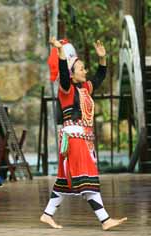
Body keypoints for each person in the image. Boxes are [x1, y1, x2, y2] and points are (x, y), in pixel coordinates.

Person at [40, 37, 127, 230]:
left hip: (83, 138)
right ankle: (105, 220)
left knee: (64, 181)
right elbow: (63, 72)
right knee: (87, 178)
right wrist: (60, 51)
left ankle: (47, 215)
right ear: (72, 74)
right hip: (74, 138)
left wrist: (102, 58)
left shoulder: (85, 88)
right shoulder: (66, 89)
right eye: (81, 69)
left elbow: (100, 76)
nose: (85, 71)